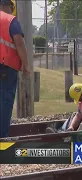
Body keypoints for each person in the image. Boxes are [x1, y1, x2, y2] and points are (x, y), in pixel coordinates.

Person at [0, 0, 30, 138]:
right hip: (6, 68)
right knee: (4, 102)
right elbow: (19, 42)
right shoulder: (10, 20)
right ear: (9, 6)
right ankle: (2, 137)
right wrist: (26, 65)